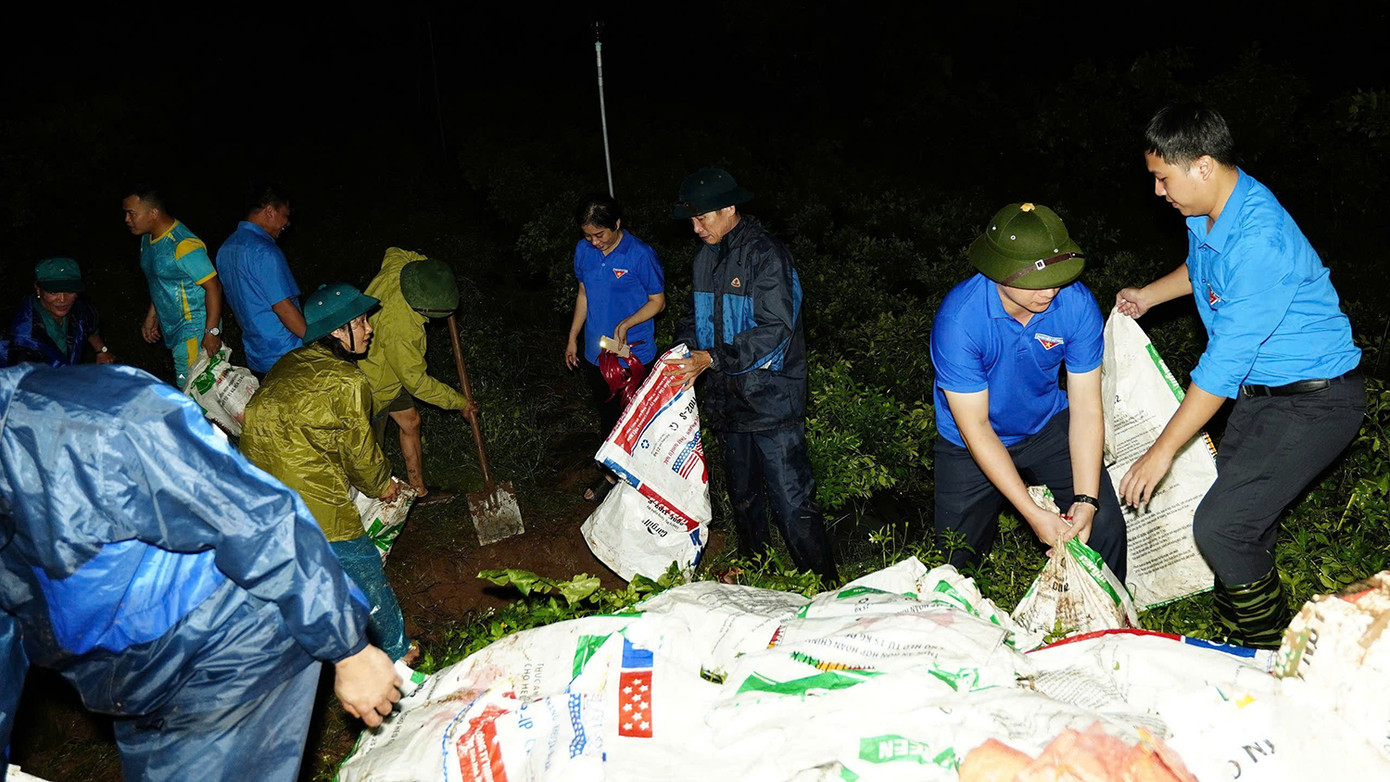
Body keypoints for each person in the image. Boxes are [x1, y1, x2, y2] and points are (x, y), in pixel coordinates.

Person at [0, 363, 400, 782]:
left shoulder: (94, 421)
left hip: (228, 646)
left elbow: (251, 513)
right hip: (128, 683)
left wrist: (347, 645)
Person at [1116, 102, 1364, 648]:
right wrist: (1149, 296)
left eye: (1163, 178)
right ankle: (1237, 642)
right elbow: (1203, 272)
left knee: (1221, 527)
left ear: (1201, 166)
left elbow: (1222, 365)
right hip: (1264, 395)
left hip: (1316, 401)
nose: (1158, 192)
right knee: (1243, 523)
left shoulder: (1260, 241)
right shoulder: (1208, 213)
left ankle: (1272, 653)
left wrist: (1161, 452)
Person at [929, 203, 1127, 581]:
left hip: (1046, 424)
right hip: (968, 442)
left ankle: (1108, 630)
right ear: (998, 272)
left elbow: (1086, 409)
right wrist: (1033, 514)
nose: (1050, 290)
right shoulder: (959, 322)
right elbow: (977, 428)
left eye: (1058, 275)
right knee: (955, 561)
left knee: (1104, 529)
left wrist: (1086, 501)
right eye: (1036, 281)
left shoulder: (1076, 304)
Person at [665, 168, 837, 582]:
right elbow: (696, 317)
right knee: (743, 497)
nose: (696, 227)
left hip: (771, 399)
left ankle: (824, 585)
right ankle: (758, 569)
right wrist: (681, 353)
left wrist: (712, 358)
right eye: (691, 220)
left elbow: (777, 328)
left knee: (791, 501)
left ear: (729, 207)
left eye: (703, 217)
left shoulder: (766, 255)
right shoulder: (705, 258)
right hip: (727, 398)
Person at [241, 283, 418, 665]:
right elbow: (360, 451)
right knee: (362, 565)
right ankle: (397, 655)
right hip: (309, 489)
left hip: (259, 488)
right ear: (337, 332)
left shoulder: (289, 361)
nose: (369, 328)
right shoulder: (348, 380)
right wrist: (382, 485)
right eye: (360, 321)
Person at [564, 193, 666, 501]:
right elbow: (583, 293)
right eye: (588, 235)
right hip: (597, 354)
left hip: (634, 354)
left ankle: (641, 482)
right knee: (608, 417)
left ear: (617, 224)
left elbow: (657, 303)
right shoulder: (583, 251)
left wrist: (626, 323)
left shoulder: (640, 254)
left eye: (600, 234)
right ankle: (611, 476)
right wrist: (572, 337)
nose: (595, 242)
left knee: (635, 421)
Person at [360, 249, 476, 505]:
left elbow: (393, 251)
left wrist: (432, 273)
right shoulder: (402, 328)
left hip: (392, 370)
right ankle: (372, 512)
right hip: (372, 384)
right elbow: (417, 382)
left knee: (410, 422)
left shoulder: (398, 268)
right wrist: (459, 402)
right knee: (369, 458)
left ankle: (418, 491)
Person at [123, 184, 224, 388]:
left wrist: (211, 332)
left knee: (192, 392)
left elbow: (214, 287)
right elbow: (161, 280)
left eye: (131, 214)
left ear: (153, 213)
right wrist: (152, 316)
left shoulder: (183, 245)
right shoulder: (147, 240)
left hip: (195, 328)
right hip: (175, 329)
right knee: (199, 392)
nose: (127, 219)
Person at [215, 182, 304, 377]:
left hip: (257, 356)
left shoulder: (225, 249)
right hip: (286, 352)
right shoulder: (265, 251)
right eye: (285, 215)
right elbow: (283, 307)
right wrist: (312, 339)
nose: (287, 223)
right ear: (270, 211)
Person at [0, 258, 115, 367]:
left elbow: (91, 328)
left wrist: (101, 350)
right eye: (53, 292)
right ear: (38, 288)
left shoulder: (80, 309)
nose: (62, 299)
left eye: (69, 291)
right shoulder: (19, 336)